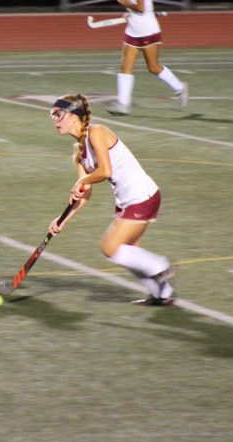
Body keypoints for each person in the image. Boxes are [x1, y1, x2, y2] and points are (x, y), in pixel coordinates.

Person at [48, 94, 176, 305]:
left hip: (141, 195)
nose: (54, 120)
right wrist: (61, 220)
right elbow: (85, 191)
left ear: (73, 116)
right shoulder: (78, 153)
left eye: (58, 114)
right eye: (51, 115)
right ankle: (162, 293)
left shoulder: (97, 132)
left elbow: (105, 171)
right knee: (129, 253)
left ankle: (160, 266)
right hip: (127, 201)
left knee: (110, 248)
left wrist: (82, 182)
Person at [105, 0, 188, 116]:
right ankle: (123, 104)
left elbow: (141, 8)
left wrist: (124, 3)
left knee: (154, 67)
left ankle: (180, 88)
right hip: (133, 30)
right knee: (125, 66)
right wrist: (127, 12)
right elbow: (139, 8)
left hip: (147, 31)